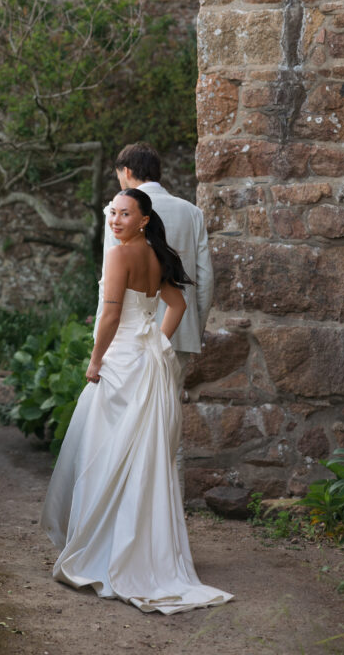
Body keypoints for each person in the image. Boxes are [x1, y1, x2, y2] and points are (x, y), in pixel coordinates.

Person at [40, 188, 233, 614]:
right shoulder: (153, 252)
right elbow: (178, 305)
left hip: (121, 363)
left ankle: (104, 553)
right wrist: (156, 343)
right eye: (113, 213)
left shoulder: (120, 254)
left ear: (143, 218)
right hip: (146, 362)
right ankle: (139, 551)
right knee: (142, 458)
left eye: (125, 214)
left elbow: (109, 316)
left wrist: (95, 362)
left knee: (105, 454)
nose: (115, 220)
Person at [98, 143, 214, 486]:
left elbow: (110, 287)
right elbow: (205, 279)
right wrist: (194, 328)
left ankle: (130, 508)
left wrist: (99, 346)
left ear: (128, 172)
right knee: (168, 423)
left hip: (127, 341)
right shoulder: (191, 212)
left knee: (124, 423)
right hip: (176, 335)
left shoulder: (118, 212)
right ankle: (169, 514)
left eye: (120, 175)